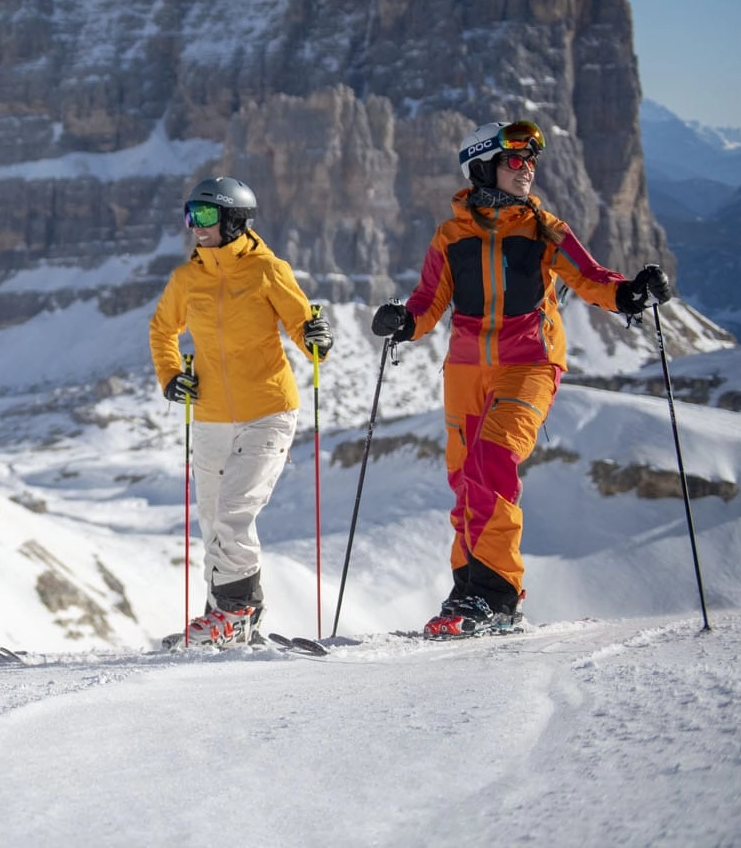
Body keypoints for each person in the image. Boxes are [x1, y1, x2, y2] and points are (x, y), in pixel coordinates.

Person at [371, 120, 674, 638]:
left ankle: (497, 595)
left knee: (492, 460)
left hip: (530, 363)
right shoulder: (451, 236)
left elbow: (591, 276)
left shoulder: (544, 229)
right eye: (515, 161)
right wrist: (404, 322)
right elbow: (428, 302)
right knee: (465, 479)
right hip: (466, 370)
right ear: (483, 167)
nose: (527, 169)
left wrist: (629, 294)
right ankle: (468, 587)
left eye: (531, 161)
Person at [149, 177, 333, 647]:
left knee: (233, 512)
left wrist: (316, 341)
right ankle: (226, 617)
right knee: (213, 518)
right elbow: (161, 330)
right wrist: (171, 377)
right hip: (210, 414)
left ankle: (237, 611)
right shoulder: (186, 279)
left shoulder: (267, 270)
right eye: (190, 215)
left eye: (205, 215)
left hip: (268, 409)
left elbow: (300, 323)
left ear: (234, 219)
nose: (195, 226)